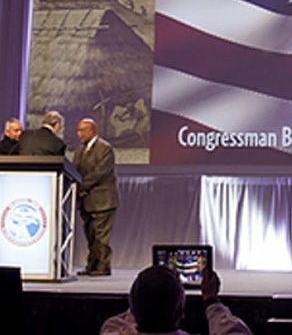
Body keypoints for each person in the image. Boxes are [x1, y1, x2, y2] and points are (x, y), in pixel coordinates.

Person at [99, 266, 252, 335]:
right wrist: (211, 300)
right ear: (181, 313)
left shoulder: (112, 330)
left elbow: (121, 321)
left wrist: (146, 292)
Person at [73, 118, 119, 276]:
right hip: (86, 200)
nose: (78, 134)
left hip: (103, 200)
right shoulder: (80, 150)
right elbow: (75, 170)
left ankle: (103, 266)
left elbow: (101, 172)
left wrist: (82, 186)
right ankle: (92, 265)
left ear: (91, 130)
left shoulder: (105, 148)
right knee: (91, 235)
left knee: (101, 236)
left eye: (81, 130)